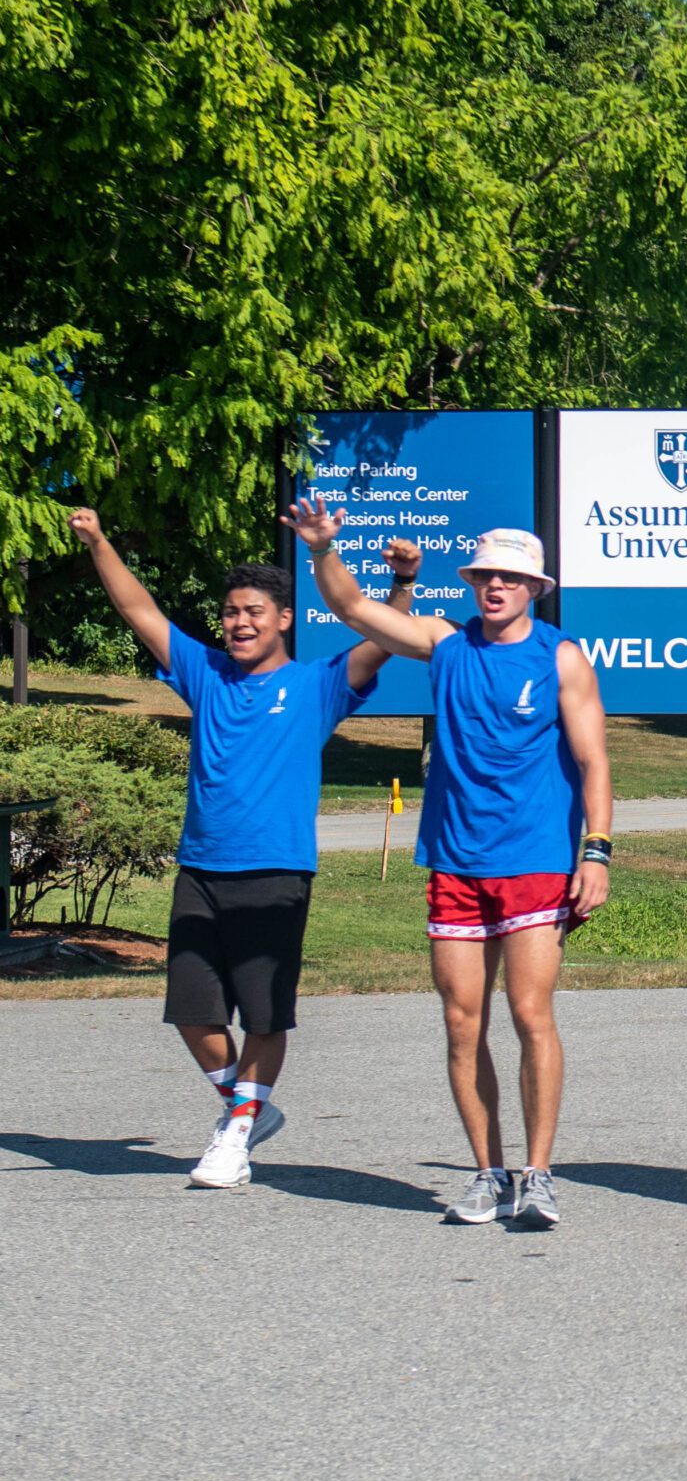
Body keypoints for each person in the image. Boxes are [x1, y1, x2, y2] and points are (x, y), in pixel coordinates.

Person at [68, 510, 415, 1189]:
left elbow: (383, 640)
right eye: (230, 612)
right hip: (200, 867)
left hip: (276, 872)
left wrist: (403, 582)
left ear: (284, 618)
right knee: (193, 1010)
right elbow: (138, 608)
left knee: (262, 1013)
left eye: (254, 611)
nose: (239, 622)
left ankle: (234, 1134)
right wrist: (100, 542)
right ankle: (245, 1107)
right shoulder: (205, 672)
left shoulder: (318, 684)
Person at [291, 502, 611, 1230]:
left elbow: (595, 761)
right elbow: (351, 606)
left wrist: (596, 851)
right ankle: (486, 1172)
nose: (494, 586)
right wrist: (321, 550)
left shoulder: (562, 657)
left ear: (534, 586)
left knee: (531, 1013)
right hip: (455, 863)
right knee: (462, 1022)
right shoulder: (446, 642)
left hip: (533, 861)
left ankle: (538, 1174)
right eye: (485, 575)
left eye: (509, 576)